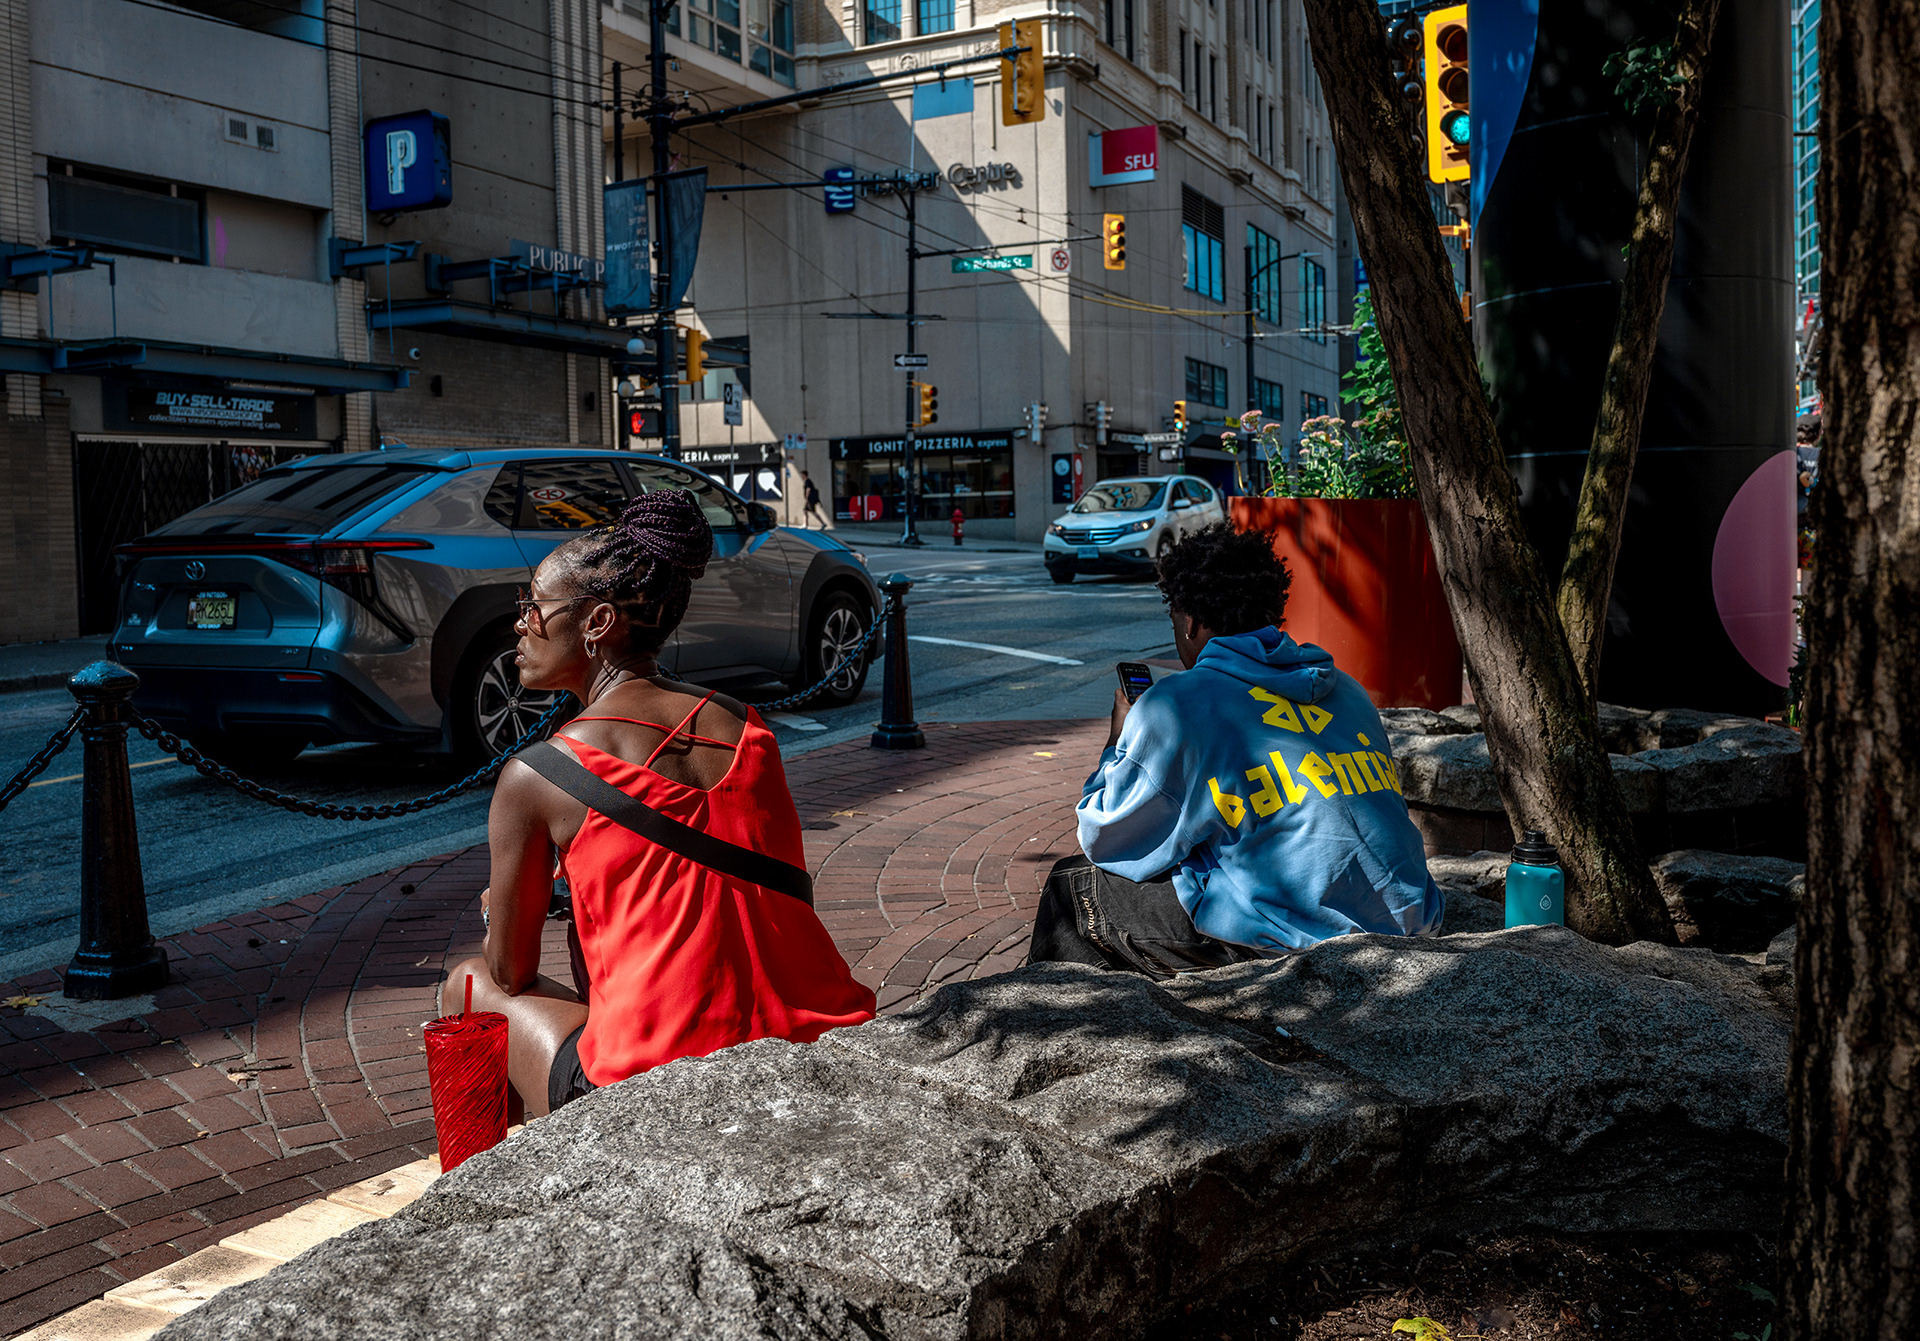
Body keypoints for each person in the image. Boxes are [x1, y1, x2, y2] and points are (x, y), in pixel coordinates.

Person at [444, 489, 875, 1117]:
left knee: (467, 984)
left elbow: (511, 971)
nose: (520, 624)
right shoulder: (747, 726)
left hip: (654, 1080)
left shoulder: (536, 776)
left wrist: (497, 911)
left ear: (596, 623)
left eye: (533, 607)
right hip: (814, 1034)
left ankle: (498, 1198)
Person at [1028, 523, 1442, 977]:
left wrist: (1116, 742)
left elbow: (1105, 836)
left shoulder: (1178, 704)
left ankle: (1057, 1030)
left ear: (1189, 621)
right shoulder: (1347, 690)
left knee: (1073, 887)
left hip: (1300, 942)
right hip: (1412, 921)